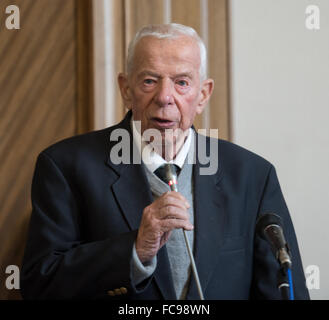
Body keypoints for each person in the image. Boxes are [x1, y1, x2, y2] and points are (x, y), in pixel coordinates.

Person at [21, 23, 310, 300]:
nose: (165, 97)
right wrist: (135, 250)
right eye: (149, 81)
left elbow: (282, 288)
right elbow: (39, 284)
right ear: (125, 89)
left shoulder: (252, 176)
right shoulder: (65, 166)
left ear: (203, 94)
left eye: (182, 82)